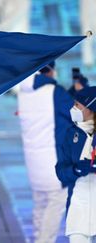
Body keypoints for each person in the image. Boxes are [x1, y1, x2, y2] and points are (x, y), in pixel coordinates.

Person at [17, 61, 74, 243]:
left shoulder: (23, 93)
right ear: (50, 71)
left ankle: (37, 239)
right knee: (55, 204)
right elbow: (75, 112)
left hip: (33, 163)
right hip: (53, 161)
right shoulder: (54, 93)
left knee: (40, 205)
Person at [56, 86, 96, 243]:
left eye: (78, 105)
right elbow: (60, 171)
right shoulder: (71, 133)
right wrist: (76, 169)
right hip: (78, 204)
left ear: (90, 108)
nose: (73, 108)